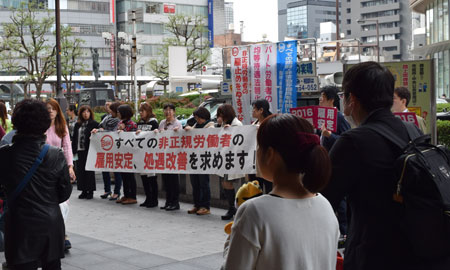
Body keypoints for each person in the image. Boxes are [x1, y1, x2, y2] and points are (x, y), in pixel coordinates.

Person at [321, 62, 450, 270]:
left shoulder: (353, 141)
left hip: (374, 255)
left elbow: (323, 201)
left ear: (352, 98)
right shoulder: (412, 130)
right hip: (420, 253)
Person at [222, 113, 339, 270]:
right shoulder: (325, 206)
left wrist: (231, 241)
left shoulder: (254, 212)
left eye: (258, 147)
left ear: (270, 154)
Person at [0, 99, 72, 270]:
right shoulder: (56, 155)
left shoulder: (4, 154)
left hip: (19, 224)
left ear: (16, 122)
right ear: (44, 123)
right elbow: (65, 193)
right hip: (50, 224)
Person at [185, 107, 215, 215]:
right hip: (194, 158)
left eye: (198, 118)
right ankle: (196, 204)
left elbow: (206, 135)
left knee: (204, 183)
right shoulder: (196, 125)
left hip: (204, 158)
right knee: (195, 183)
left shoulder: (210, 126)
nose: (197, 120)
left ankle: (205, 206)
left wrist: (191, 131)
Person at [216, 104, 244, 220]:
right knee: (224, 183)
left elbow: (238, 140)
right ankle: (232, 207)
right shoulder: (224, 125)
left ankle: (232, 207)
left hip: (232, 158)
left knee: (228, 183)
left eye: (221, 114)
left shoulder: (237, 124)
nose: (220, 116)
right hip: (225, 157)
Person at [94, 102, 123, 200]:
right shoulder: (107, 117)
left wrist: (102, 131)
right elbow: (100, 125)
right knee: (104, 168)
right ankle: (107, 190)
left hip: (115, 147)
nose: (109, 110)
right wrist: (100, 129)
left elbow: (114, 132)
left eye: (111, 109)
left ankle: (117, 191)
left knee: (116, 170)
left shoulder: (119, 120)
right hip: (105, 146)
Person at [157, 103, 182, 211]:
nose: (168, 112)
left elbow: (181, 138)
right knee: (166, 180)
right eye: (166, 110)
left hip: (173, 155)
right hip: (164, 155)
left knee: (173, 180)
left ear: (174, 111)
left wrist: (177, 132)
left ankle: (175, 202)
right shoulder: (162, 123)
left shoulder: (177, 123)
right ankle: (168, 201)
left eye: (170, 110)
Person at [72, 106, 99, 200]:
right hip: (79, 150)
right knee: (80, 171)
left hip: (89, 151)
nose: (86, 113)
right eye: (84, 112)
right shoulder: (77, 125)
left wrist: (98, 130)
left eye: (88, 111)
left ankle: (90, 191)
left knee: (89, 171)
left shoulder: (94, 124)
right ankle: (83, 190)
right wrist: (73, 151)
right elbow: (74, 137)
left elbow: (102, 131)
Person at [46, 98, 76, 182]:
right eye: (48, 108)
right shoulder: (40, 126)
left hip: (57, 165)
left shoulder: (62, 126)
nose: (51, 111)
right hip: (42, 165)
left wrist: (70, 166)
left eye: (53, 109)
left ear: (57, 111)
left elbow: (67, 146)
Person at [136, 103, 159, 208]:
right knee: (144, 178)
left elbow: (155, 134)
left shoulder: (153, 122)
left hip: (150, 153)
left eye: (143, 111)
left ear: (148, 111)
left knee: (151, 178)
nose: (141, 113)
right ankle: (148, 198)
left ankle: (154, 199)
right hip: (141, 153)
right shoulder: (140, 122)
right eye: (140, 111)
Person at [249, 99, 273, 194]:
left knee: (269, 188)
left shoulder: (271, 123)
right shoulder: (253, 125)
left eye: (254, 108)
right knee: (255, 188)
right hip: (254, 162)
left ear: (261, 110)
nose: (253, 111)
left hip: (267, 161)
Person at [116, 104, 138, 205]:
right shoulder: (120, 123)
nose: (117, 114)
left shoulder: (132, 124)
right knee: (124, 175)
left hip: (130, 153)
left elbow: (132, 138)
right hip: (121, 153)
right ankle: (126, 194)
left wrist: (123, 130)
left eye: (119, 112)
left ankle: (132, 196)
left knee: (130, 176)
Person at [319, 85, 351, 152]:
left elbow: (348, 141)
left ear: (331, 100)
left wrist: (330, 135)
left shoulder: (340, 117)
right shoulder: (321, 117)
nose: (320, 99)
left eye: (323, 97)